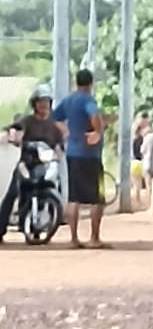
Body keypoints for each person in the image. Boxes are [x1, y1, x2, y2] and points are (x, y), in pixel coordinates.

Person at [0, 86, 66, 243]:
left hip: (46, 164)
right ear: (34, 104)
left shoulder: (53, 127)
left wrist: (59, 155)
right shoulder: (27, 121)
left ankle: (55, 216)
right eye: (40, 102)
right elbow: (13, 130)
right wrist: (12, 136)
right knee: (12, 193)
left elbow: (59, 147)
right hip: (27, 164)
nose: (43, 105)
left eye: (46, 102)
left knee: (58, 184)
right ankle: (1, 228)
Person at [53, 69, 107, 249]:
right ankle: (94, 238)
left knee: (73, 197)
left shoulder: (68, 100)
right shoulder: (88, 99)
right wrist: (97, 132)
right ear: (90, 84)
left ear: (76, 82)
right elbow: (94, 115)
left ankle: (74, 238)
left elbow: (55, 118)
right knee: (97, 198)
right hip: (90, 154)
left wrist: (67, 132)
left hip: (73, 153)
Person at [131, 113, 150, 208]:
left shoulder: (133, 134)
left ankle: (137, 202)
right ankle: (148, 203)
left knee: (136, 185)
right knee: (147, 184)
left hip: (133, 161)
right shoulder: (144, 136)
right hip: (141, 161)